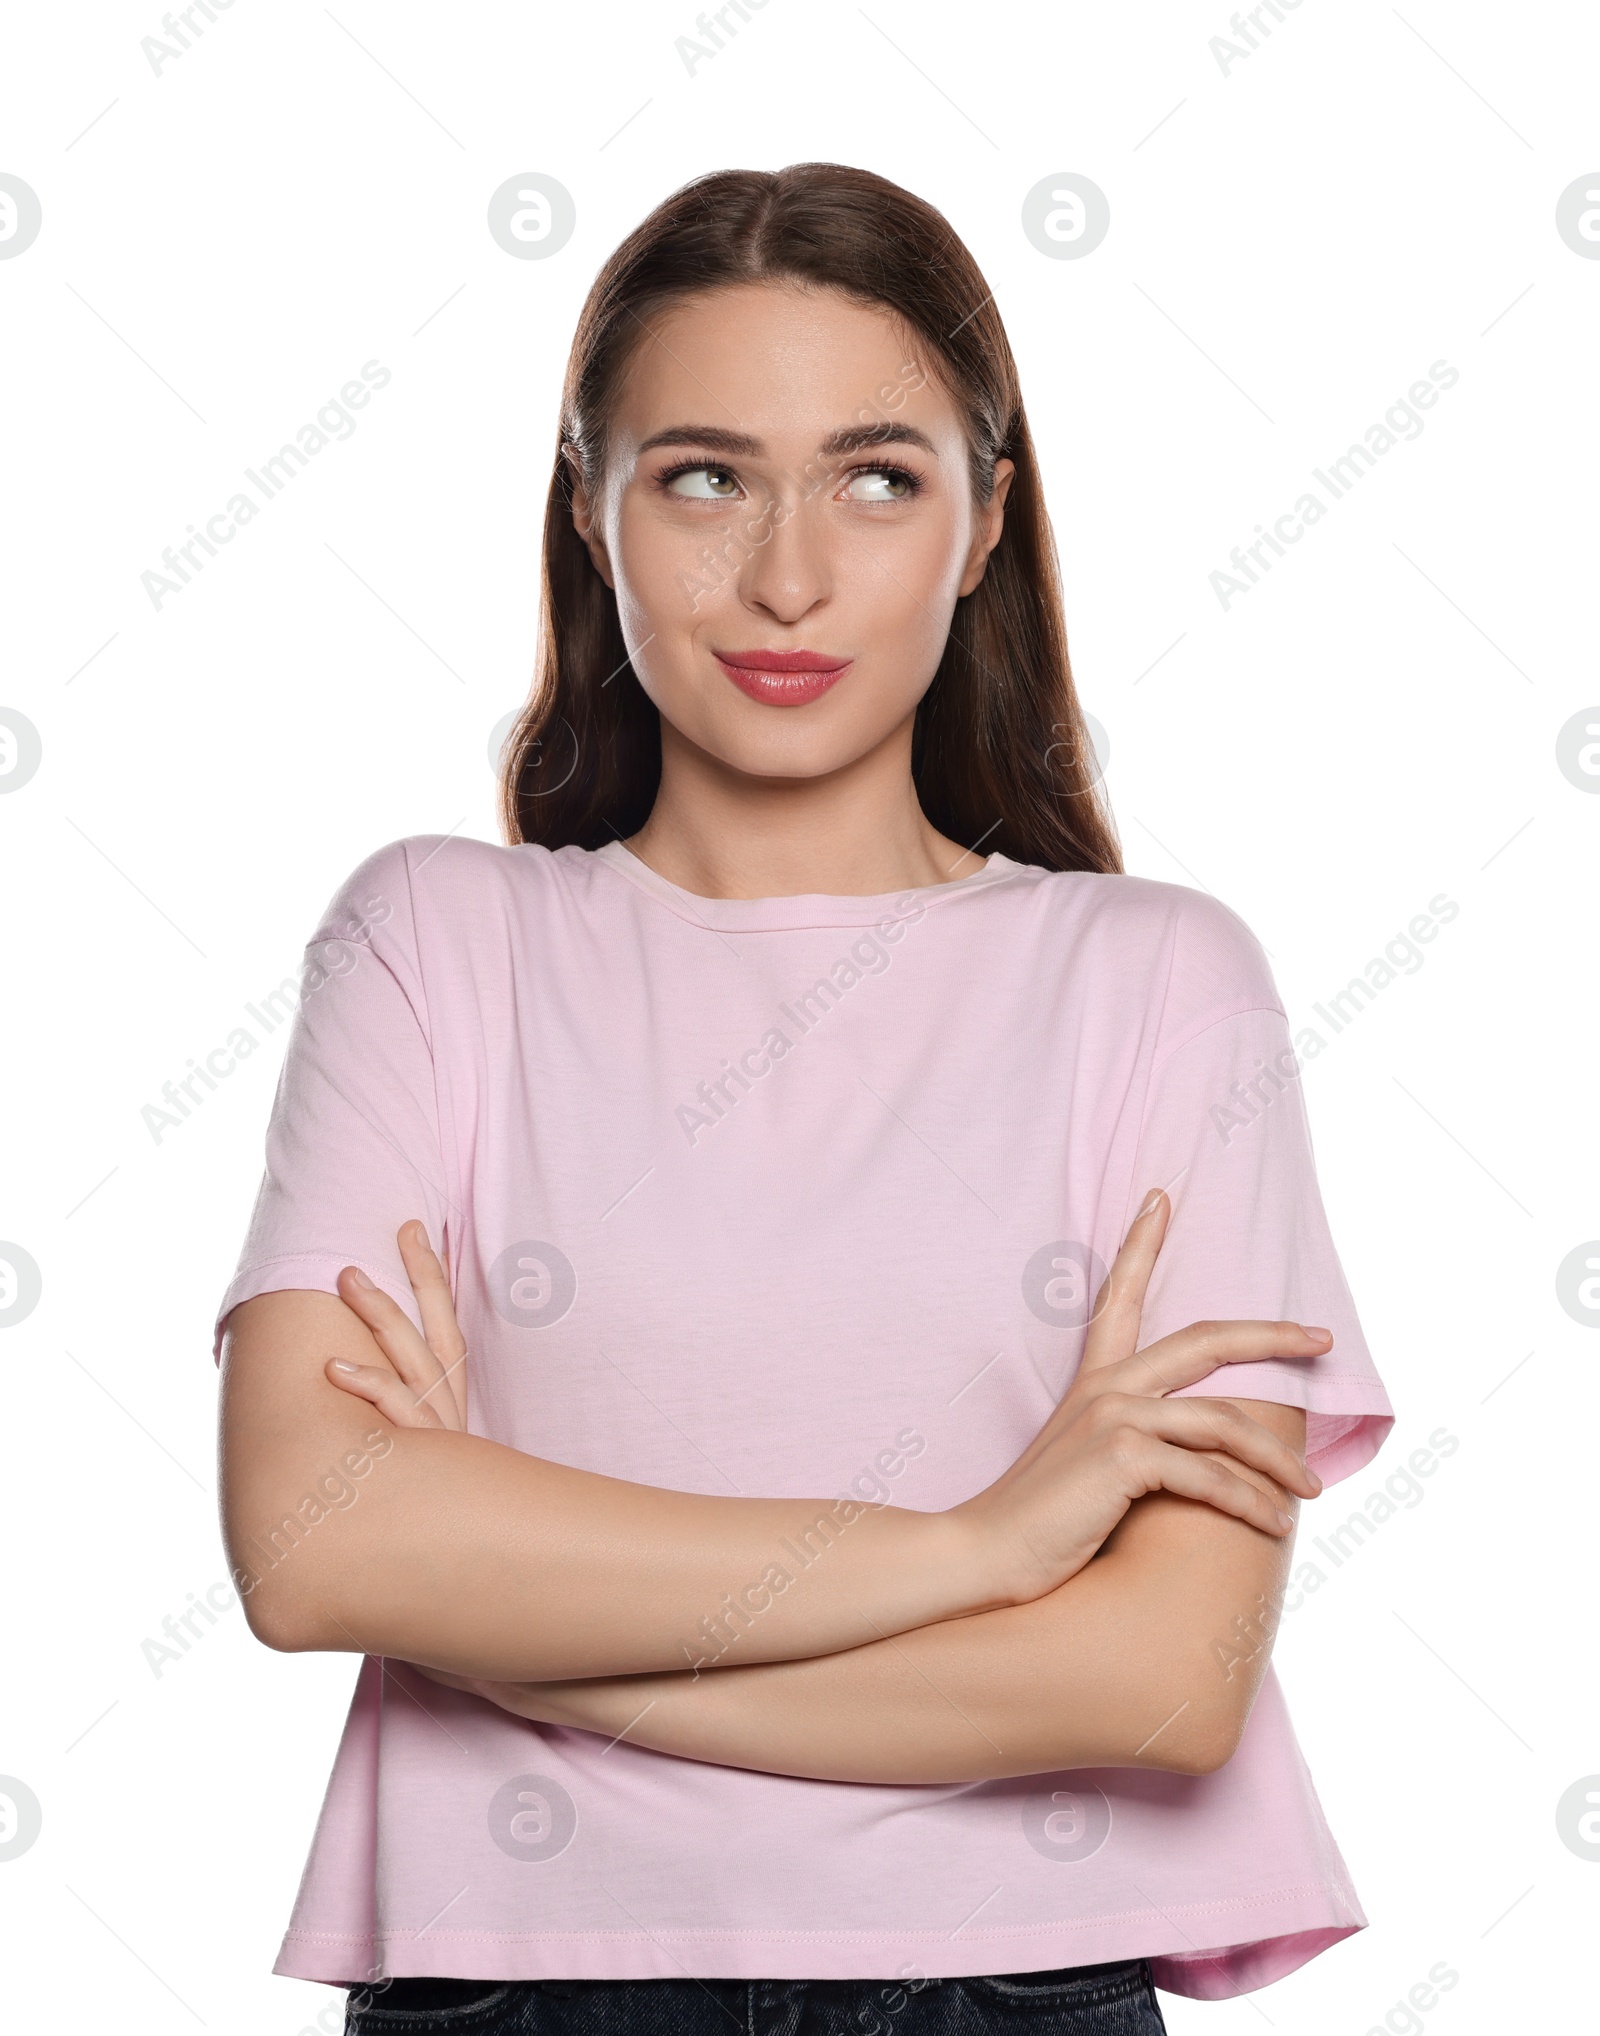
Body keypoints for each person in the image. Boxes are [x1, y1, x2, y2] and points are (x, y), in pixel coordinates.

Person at [214, 163, 1393, 2036]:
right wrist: (979, 1552)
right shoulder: (437, 939)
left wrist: (532, 1644)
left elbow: (1160, 1676)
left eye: (876, 476)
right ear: (589, 514)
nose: (786, 574)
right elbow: (314, 1539)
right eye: (701, 476)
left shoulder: (1159, 981)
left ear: (985, 520)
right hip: (520, 1979)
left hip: (1003, 1983)